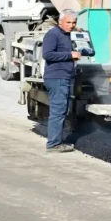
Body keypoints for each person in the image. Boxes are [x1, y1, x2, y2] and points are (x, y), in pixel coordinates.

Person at [41, 9, 81, 153]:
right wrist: (69, 55)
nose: (71, 25)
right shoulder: (53, 34)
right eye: (68, 22)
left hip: (64, 76)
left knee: (62, 110)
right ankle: (53, 144)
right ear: (60, 21)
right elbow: (47, 54)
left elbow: (88, 50)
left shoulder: (68, 35)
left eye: (74, 22)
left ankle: (56, 141)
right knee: (58, 111)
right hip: (56, 77)